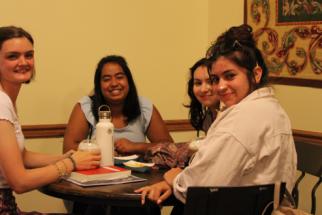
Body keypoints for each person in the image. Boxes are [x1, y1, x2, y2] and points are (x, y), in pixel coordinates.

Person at [135, 24, 297, 213]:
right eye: (216, 79)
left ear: (256, 74)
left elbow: (198, 187)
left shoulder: (244, 117)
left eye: (230, 76)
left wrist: (175, 179)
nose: (220, 87)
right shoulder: (271, 107)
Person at [0, 26, 101, 215]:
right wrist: (71, 163)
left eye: (28, 55)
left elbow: (21, 156)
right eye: (13, 56)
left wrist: (62, 157)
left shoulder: (4, 98)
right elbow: (19, 182)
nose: (23, 62)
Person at [63, 55, 174, 156]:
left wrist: (135, 147)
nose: (114, 83)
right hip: (96, 174)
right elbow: (68, 149)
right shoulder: (85, 107)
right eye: (107, 79)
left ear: (128, 81)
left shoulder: (144, 106)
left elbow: (170, 147)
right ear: (99, 85)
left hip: (140, 175)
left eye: (120, 77)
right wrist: (108, 152)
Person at [185, 58, 220, 134]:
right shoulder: (208, 115)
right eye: (198, 83)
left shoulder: (234, 115)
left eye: (210, 82)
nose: (203, 89)